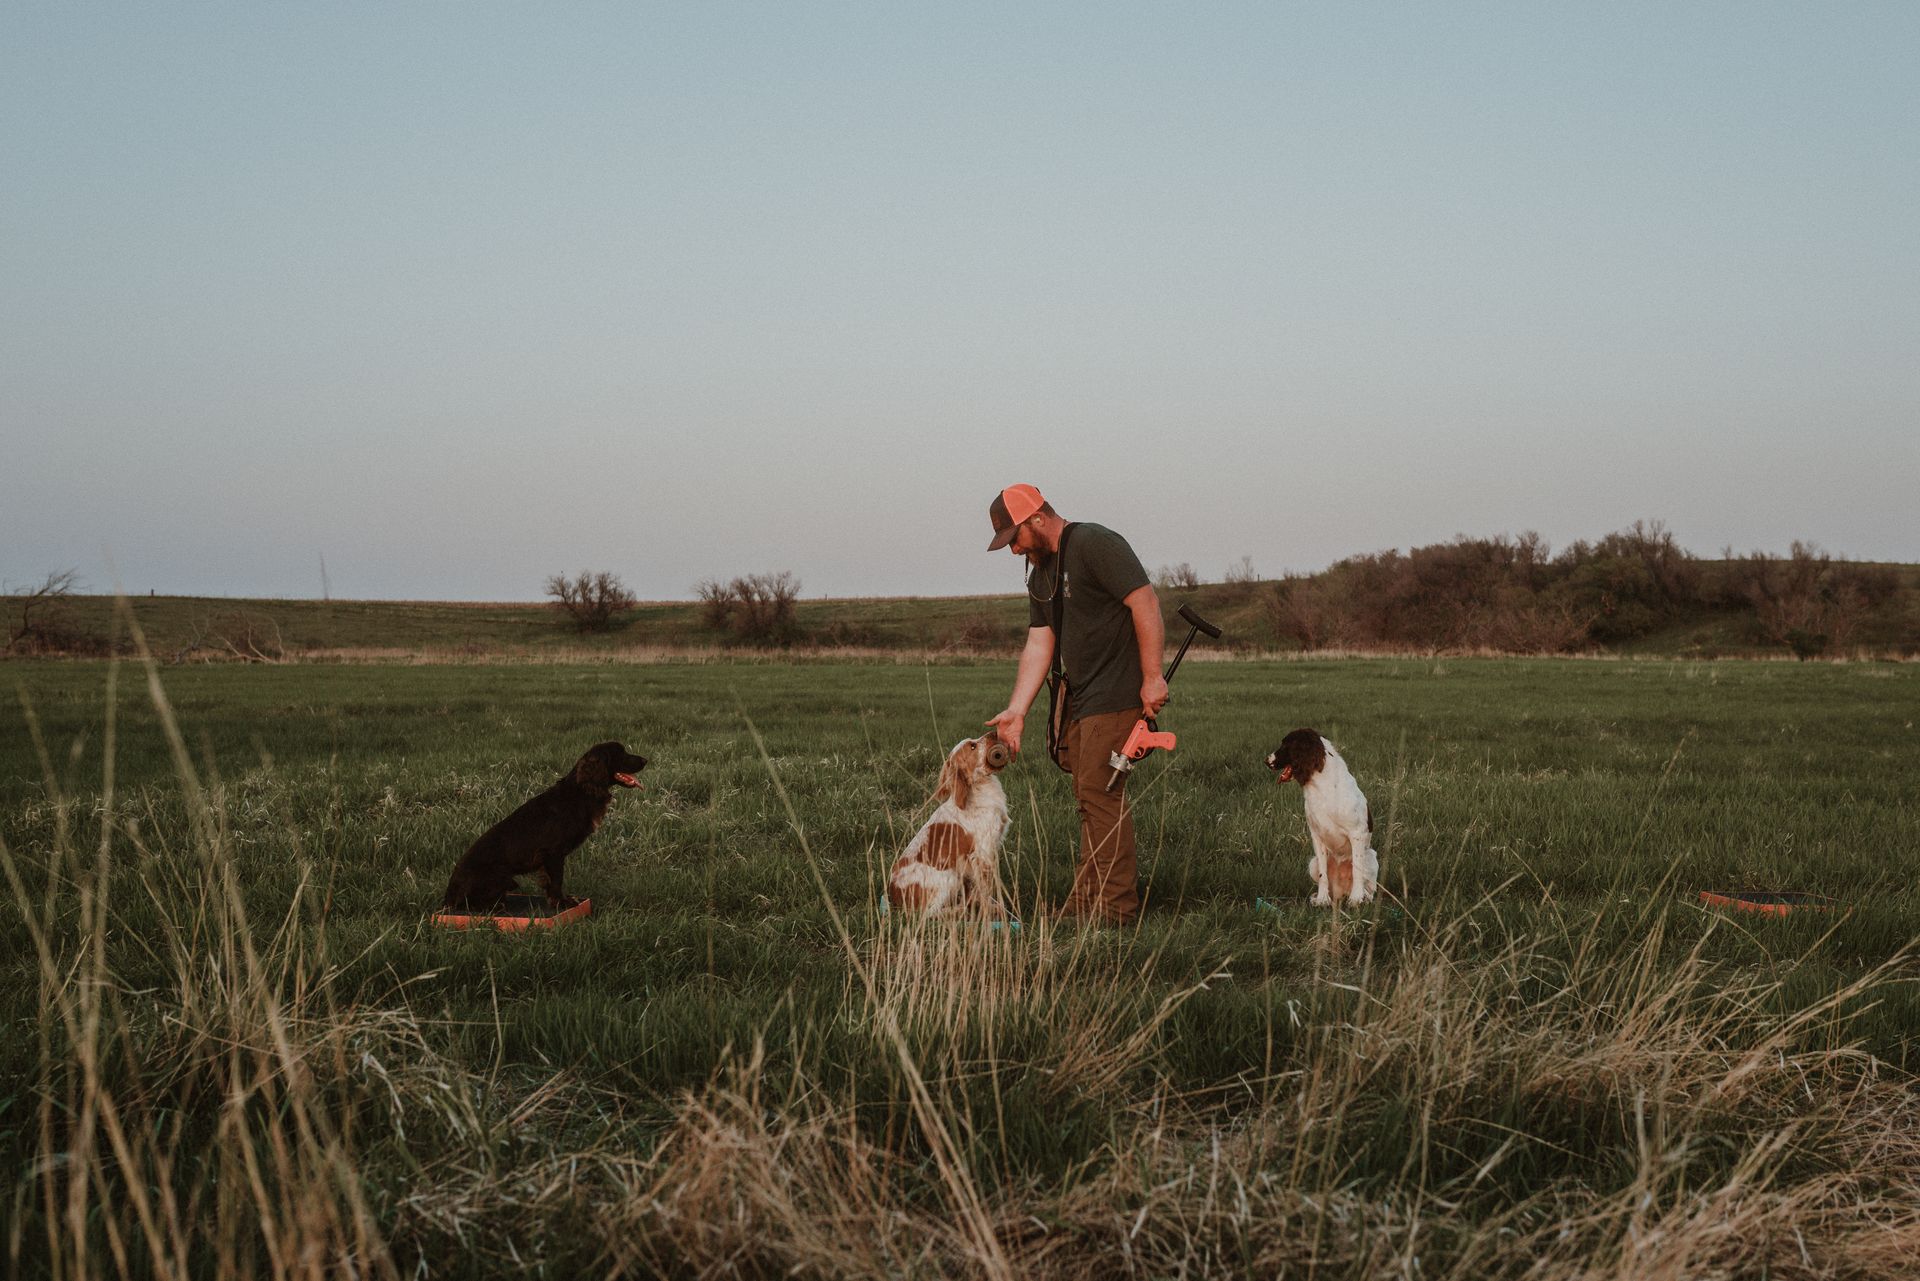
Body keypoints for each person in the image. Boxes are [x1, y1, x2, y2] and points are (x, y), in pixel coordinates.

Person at [984, 484, 1166, 924]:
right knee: (1088, 797)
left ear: (1037, 519)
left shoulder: (1094, 543)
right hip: (1081, 700)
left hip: (1118, 693)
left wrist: (1152, 676)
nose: (1013, 550)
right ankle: (1086, 902)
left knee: (1101, 797)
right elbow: (1039, 642)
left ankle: (1116, 909)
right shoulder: (1040, 572)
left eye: (1015, 538)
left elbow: (1144, 602)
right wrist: (1017, 711)